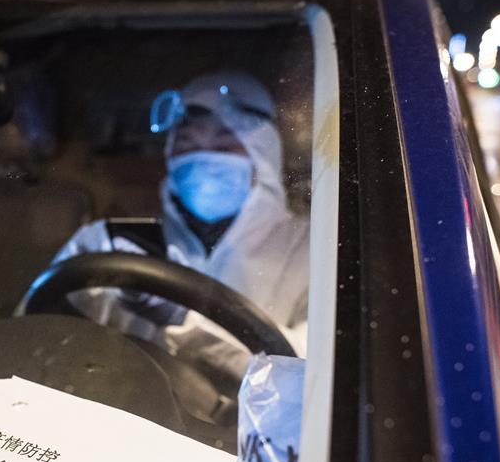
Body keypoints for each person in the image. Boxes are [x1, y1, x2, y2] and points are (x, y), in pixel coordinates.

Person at [16, 70, 309, 381]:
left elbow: (306, 375)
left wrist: (182, 319)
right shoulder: (106, 244)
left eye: (224, 147)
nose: (202, 159)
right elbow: (32, 339)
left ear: (264, 157)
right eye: (187, 145)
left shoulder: (312, 249)